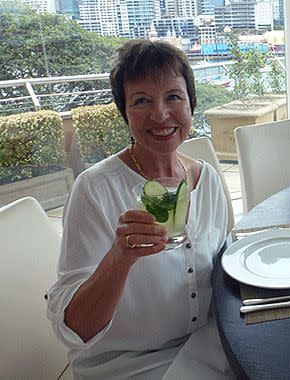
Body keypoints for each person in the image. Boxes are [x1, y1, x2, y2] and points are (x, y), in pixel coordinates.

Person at [46, 39, 233, 379]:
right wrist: (121, 257)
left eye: (173, 97)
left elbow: (221, 271)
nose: (160, 114)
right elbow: (75, 328)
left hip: (207, 349)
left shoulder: (207, 180)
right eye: (141, 101)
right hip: (125, 365)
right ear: (124, 112)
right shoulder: (95, 189)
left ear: (191, 103)